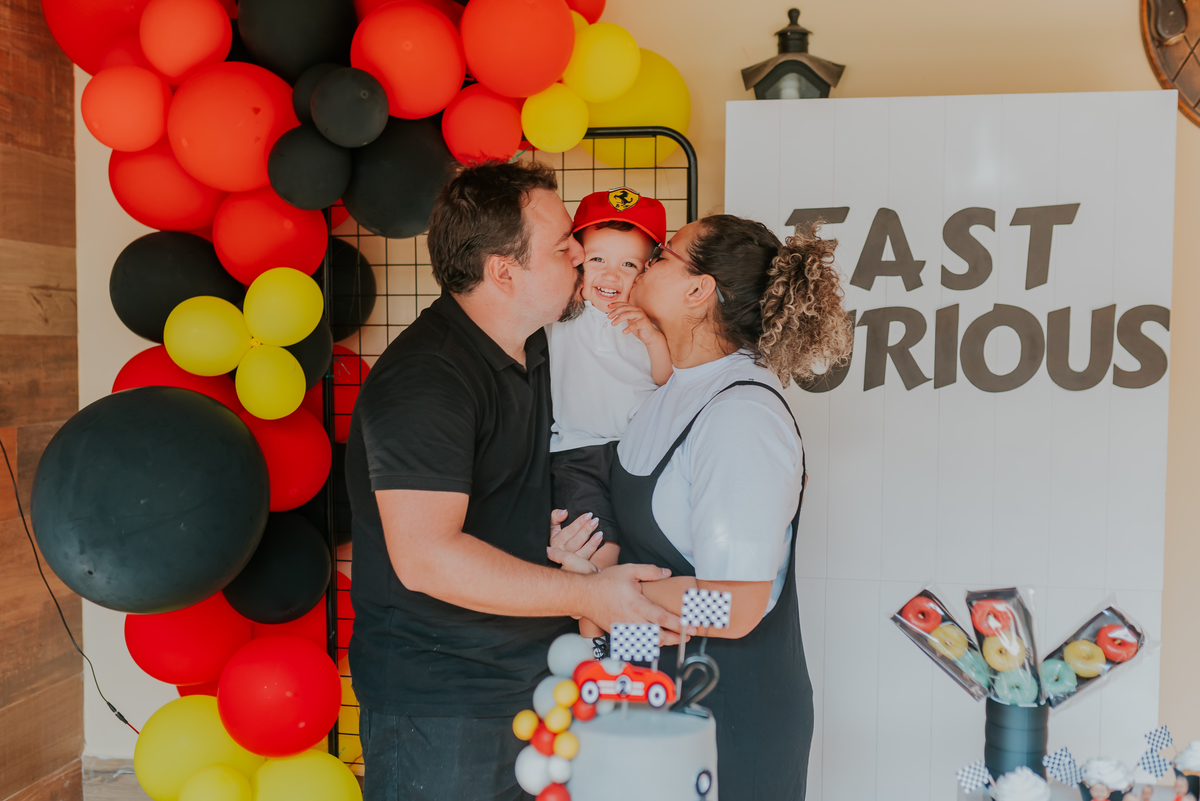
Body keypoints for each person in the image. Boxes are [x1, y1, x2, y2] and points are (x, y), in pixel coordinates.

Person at [344, 160, 682, 801]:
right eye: (563, 247)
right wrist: (588, 597)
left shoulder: (538, 347)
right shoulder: (427, 381)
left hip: (535, 681)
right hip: (446, 704)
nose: (582, 254)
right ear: (504, 270)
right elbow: (427, 559)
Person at [550, 214, 853, 800]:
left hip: (730, 722)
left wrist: (603, 595)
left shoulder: (741, 416)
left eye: (662, 255)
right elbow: (646, 576)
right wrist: (585, 577)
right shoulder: (670, 391)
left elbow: (735, 608)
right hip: (661, 709)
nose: (646, 262)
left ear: (698, 291)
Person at [545, 187, 672, 563]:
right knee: (597, 549)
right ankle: (586, 620)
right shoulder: (562, 310)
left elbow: (666, 379)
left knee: (647, 550)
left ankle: (622, 617)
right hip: (577, 451)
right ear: (576, 260)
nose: (611, 275)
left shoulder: (650, 319)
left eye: (629, 265)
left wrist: (651, 336)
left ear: (650, 270)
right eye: (597, 258)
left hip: (640, 450)